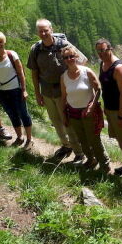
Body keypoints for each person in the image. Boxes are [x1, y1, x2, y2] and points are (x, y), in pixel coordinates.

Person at [27, 19, 85, 162]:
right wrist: (37, 93)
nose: (43, 33)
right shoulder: (36, 49)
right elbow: (34, 73)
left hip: (63, 91)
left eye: (46, 30)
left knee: (67, 122)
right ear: (37, 32)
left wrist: (74, 82)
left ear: (51, 29)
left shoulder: (63, 45)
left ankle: (79, 152)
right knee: (56, 122)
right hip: (46, 91)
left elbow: (82, 60)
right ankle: (66, 146)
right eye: (40, 31)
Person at [60, 46, 110, 171]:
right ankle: (91, 159)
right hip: (73, 112)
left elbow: (98, 89)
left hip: (89, 112)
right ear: (64, 60)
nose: (69, 59)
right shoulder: (64, 77)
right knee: (82, 139)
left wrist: (92, 106)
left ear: (76, 57)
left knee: (94, 139)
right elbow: (63, 97)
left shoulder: (86, 72)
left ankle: (104, 163)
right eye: (66, 57)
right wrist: (64, 116)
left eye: (72, 56)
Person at [96, 39, 122, 178]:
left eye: (104, 50)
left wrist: (121, 115)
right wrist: (106, 108)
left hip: (119, 110)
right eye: (99, 51)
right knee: (119, 137)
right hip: (109, 108)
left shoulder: (118, 68)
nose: (101, 53)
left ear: (110, 48)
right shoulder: (102, 64)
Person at [0, 32, 33, 150]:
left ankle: (29, 139)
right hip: (1, 92)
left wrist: (24, 90)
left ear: (4, 42)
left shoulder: (12, 55)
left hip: (16, 90)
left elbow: (20, 73)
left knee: (23, 114)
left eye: (1, 42)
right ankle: (19, 137)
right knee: (12, 114)